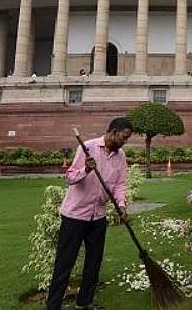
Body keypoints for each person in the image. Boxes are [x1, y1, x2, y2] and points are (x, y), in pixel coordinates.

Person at [46, 117, 133, 310]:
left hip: (98, 216)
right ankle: (53, 306)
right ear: (113, 132)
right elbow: (69, 177)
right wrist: (86, 169)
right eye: (124, 137)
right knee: (64, 263)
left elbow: (120, 184)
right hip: (75, 216)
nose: (125, 141)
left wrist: (121, 205)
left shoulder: (121, 156)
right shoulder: (88, 147)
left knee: (94, 262)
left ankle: (84, 302)